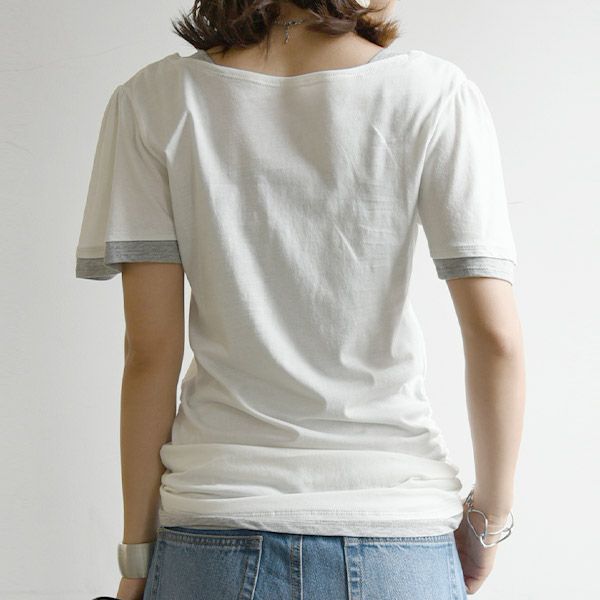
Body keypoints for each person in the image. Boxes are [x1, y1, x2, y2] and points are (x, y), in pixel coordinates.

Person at [77, 0, 526, 598]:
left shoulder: (152, 100)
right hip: (396, 528)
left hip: (213, 531)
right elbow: (496, 338)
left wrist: (137, 561)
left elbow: (149, 354)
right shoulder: (433, 94)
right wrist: (488, 520)